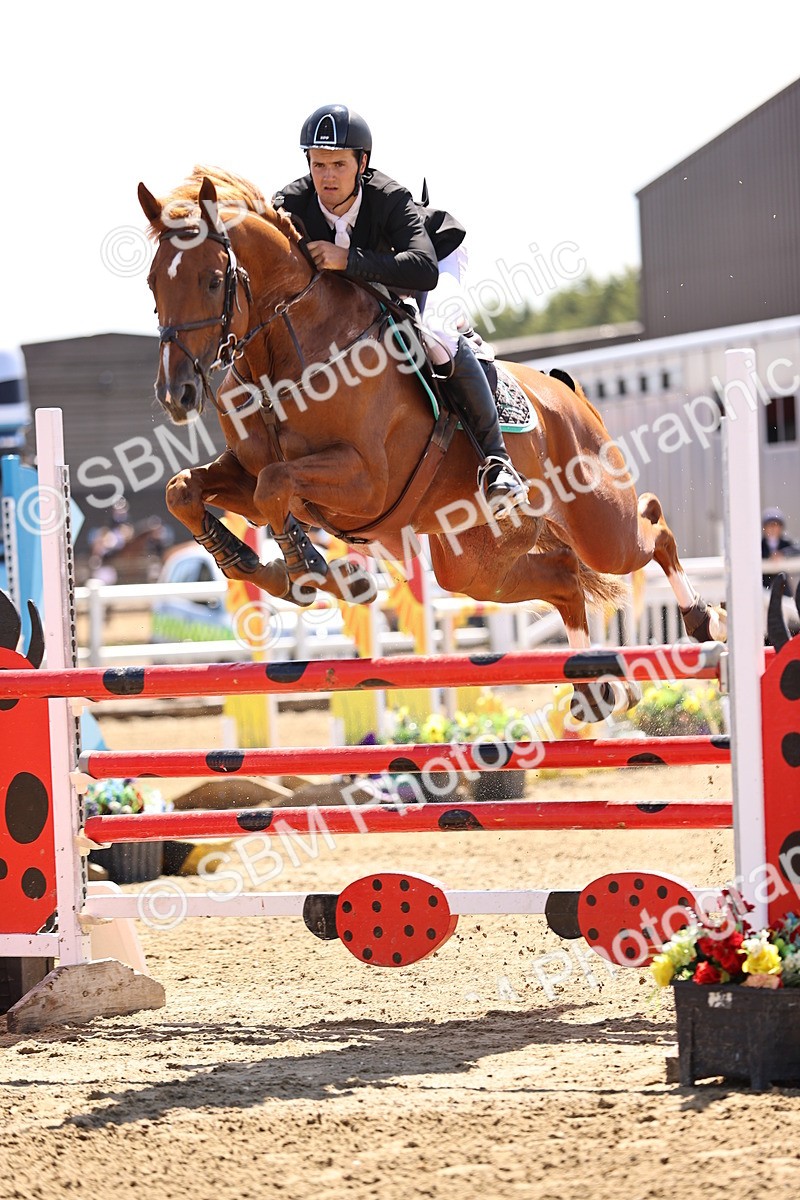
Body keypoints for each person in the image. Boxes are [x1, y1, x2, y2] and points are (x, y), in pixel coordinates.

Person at [271, 103, 529, 517]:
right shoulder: (290, 204)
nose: (327, 176)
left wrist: (347, 259)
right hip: (370, 283)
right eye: (318, 164)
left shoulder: (389, 197)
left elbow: (424, 269)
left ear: (362, 163)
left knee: (438, 333)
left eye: (339, 164)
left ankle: (498, 464)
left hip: (434, 259)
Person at [761, 506, 799, 593]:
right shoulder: (759, 545)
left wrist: (783, 553)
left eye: (775, 525)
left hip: (783, 588)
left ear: (781, 528)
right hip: (764, 587)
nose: (772, 529)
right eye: (769, 525)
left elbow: (797, 550)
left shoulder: (786, 543)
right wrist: (768, 557)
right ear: (764, 528)